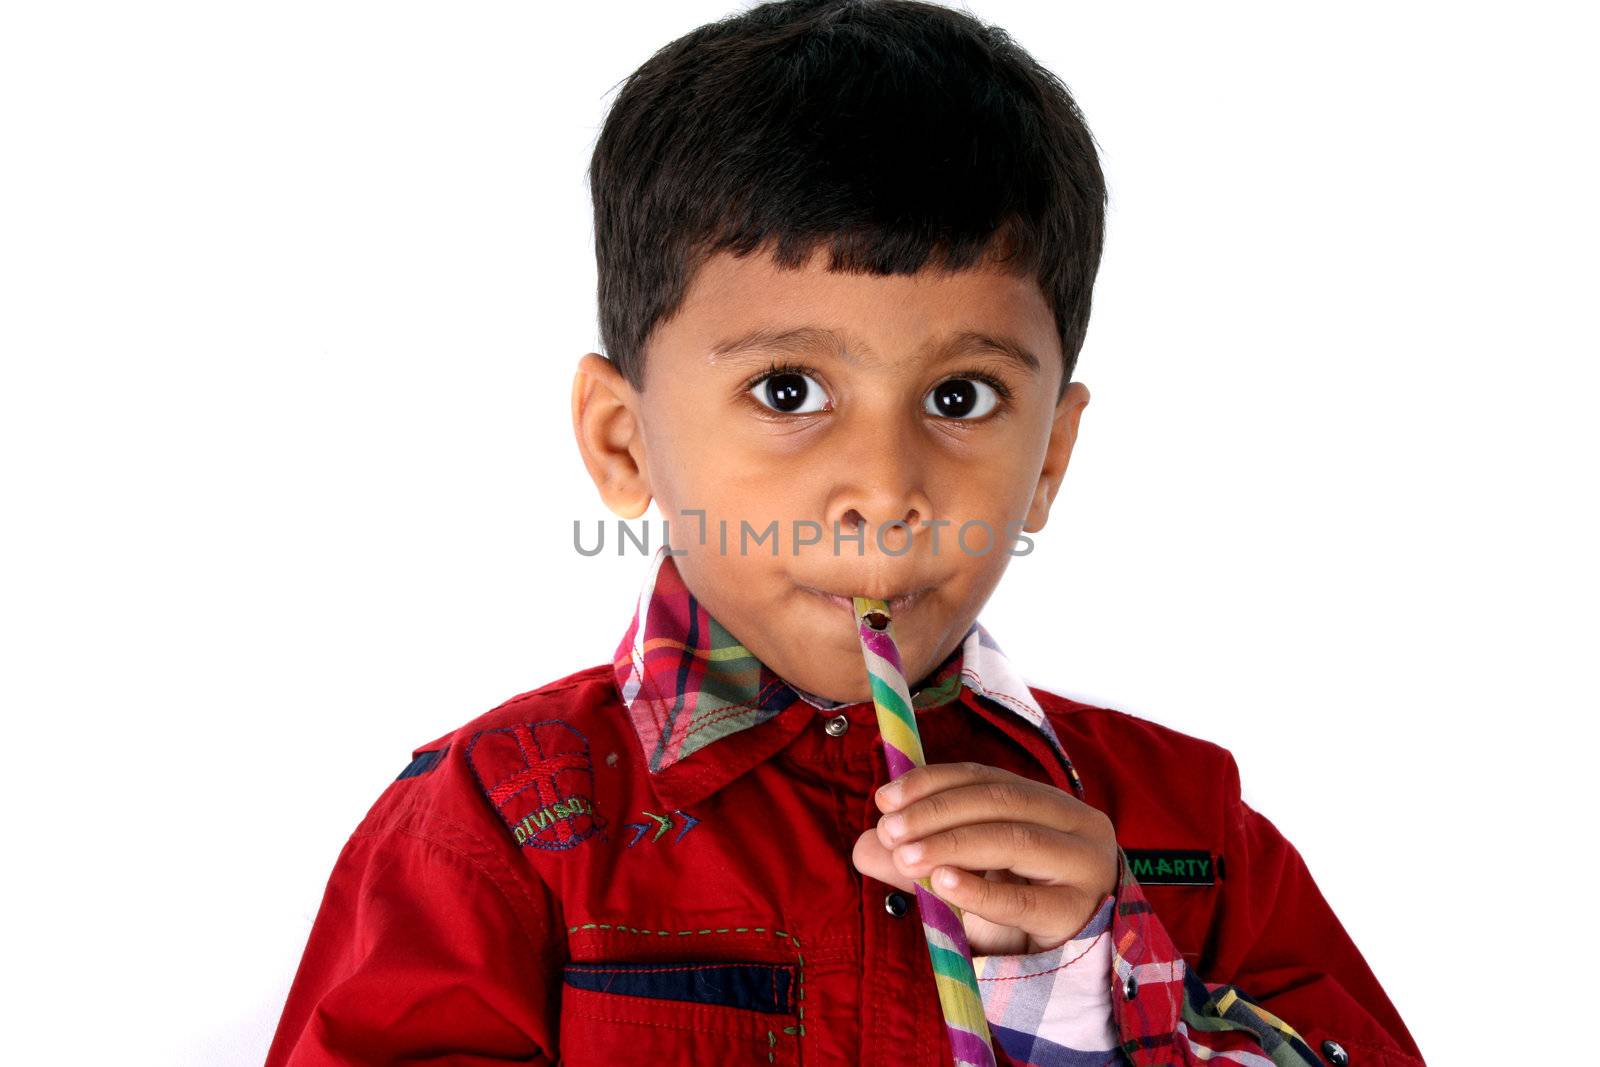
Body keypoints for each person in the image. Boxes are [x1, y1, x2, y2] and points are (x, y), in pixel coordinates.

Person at [265, 1, 1423, 1063]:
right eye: (786, 391)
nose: (882, 486)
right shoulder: (497, 829)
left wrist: (1101, 986)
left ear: (1049, 459)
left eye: (961, 398)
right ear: (623, 442)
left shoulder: (1185, 833)